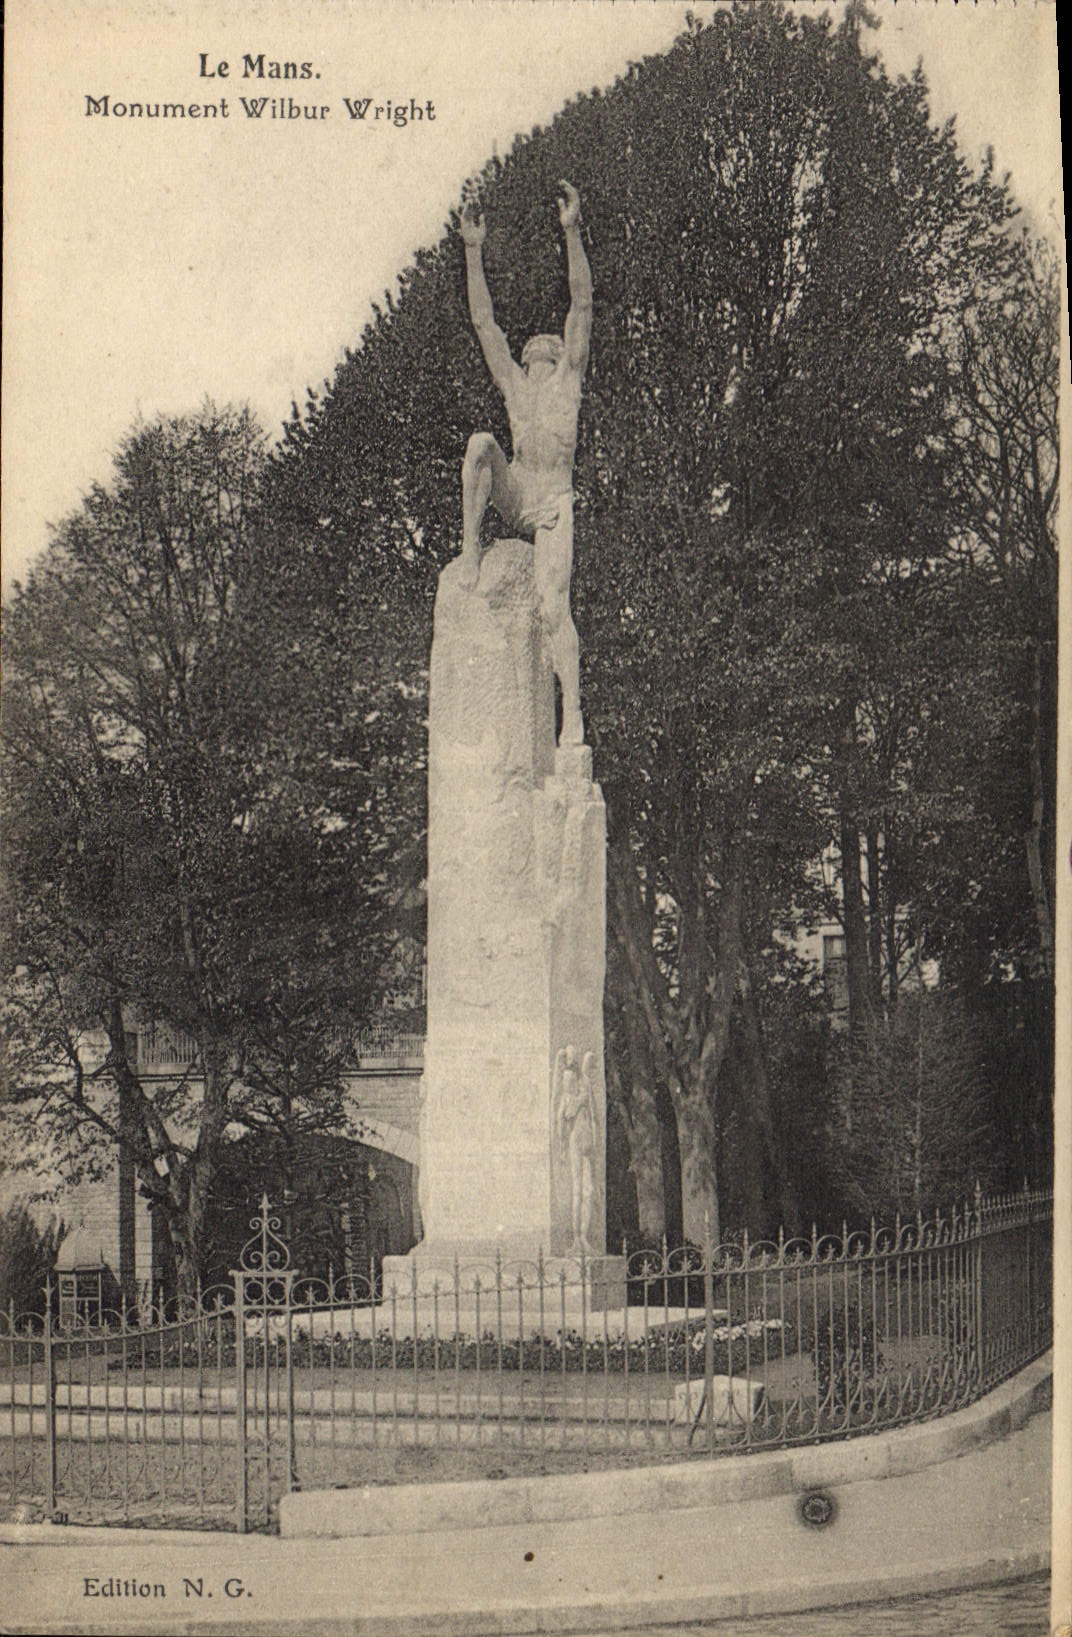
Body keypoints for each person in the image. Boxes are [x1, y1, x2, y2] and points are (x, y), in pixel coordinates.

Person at [458, 180, 592, 748]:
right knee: (481, 444)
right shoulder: (515, 388)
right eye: (533, 355)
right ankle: (469, 549)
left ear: (560, 358)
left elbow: (582, 303)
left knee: (554, 605)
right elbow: (485, 325)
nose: (538, 358)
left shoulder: (568, 387)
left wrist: (571, 231)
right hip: (519, 499)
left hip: (555, 508)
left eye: (548, 353)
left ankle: (573, 717)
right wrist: (472, 250)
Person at [554, 1044, 599, 1254]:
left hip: (586, 1141)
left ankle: (585, 1237)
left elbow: (594, 1116)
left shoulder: (585, 1088)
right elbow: (561, 1121)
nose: (570, 1082)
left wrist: (596, 1141)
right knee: (577, 1189)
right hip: (574, 1141)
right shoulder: (567, 1098)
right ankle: (576, 1239)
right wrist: (562, 1146)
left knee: (588, 1191)